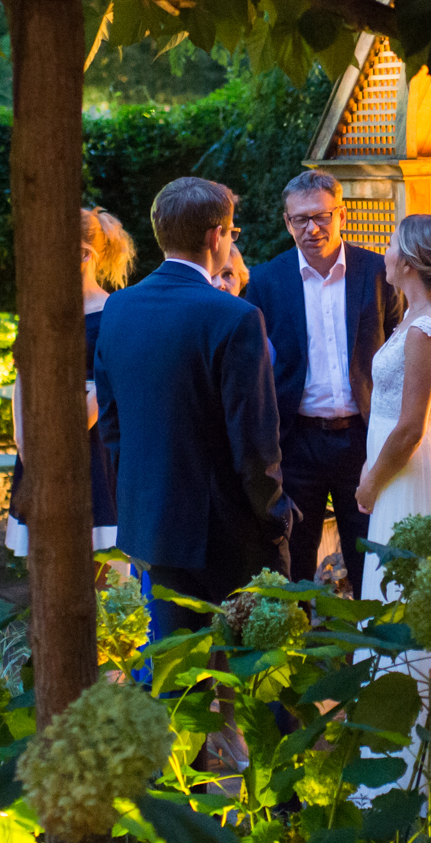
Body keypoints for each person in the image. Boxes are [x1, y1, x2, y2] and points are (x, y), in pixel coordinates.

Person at [94, 177, 293, 635]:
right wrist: (276, 514)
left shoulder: (119, 308)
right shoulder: (235, 316)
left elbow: (112, 427)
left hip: (152, 522)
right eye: (232, 231)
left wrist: (138, 505)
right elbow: (254, 442)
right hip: (228, 531)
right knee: (256, 663)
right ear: (215, 236)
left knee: (177, 665)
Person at [352, 214, 431, 795]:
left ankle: (410, 769)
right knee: (394, 599)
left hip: (407, 478)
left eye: (390, 245)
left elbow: (410, 427)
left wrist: (371, 482)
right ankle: (395, 753)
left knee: (403, 604)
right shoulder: (416, 318)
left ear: (407, 261)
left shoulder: (428, 328)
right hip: (397, 473)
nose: (383, 253)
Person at [244, 170, 400, 597]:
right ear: (286, 222)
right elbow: (253, 369)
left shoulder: (377, 272)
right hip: (297, 443)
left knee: (372, 558)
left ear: (341, 215)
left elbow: (398, 346)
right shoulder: (266, 281)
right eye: (300, 219)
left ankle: (371, 637)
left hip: (363, 438)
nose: (312, 228)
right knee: (292, 563)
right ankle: (297, 638)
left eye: (321, 216)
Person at [6, 207, 135, 561]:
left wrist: (58, 441)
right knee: (51, 562)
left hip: (93, 450)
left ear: (83, 254)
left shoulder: (114, 312)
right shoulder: (40, 310)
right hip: (40, 446)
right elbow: (24, 374)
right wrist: (24, 441)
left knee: (105, 567)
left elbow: (105, 389)